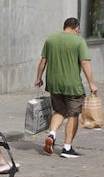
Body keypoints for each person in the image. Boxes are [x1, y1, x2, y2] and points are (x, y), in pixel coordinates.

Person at [34, 17, 99, 159]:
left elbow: (43, 61)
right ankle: (67, 148)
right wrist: (92, 83)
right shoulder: (79, 41)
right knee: (73, 114)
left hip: (53, 83)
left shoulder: (51, 39)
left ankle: (52, 134)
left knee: (59, 110)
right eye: (78, 30)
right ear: (76, 28)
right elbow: (85, 63)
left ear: (64, 27)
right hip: (72, 85)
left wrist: (38, 78)